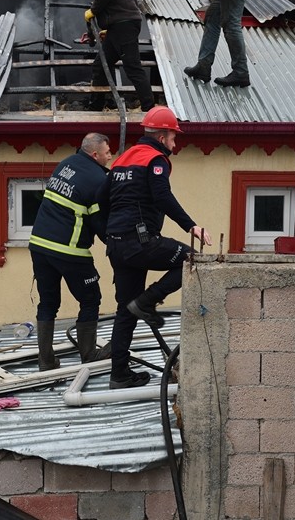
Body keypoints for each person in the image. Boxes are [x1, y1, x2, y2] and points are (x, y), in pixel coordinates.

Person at [102, 106, 211, 388]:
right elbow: (162, 196)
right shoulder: (155, 159)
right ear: (163, 137)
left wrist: (112, 234)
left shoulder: (120, 161)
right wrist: (191, 226)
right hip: (140, 241)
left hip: (116, 244)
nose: (176, 143)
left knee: (125, 310)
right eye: (174, 137)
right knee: (190, 258)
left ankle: (119, 374)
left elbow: (105, 202)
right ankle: (148, 302)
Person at [28, 132, 114, 371]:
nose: (110, 157)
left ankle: (45, 361)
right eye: (108, 152)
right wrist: (117, 243)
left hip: (39, 245)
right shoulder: (97, 179)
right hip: (69, 250)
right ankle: (89, 355)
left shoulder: (65, 164)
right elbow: (99, 223)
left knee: (48, 302)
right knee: (90, 298)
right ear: (95, 154)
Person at [85, 0, 155, 112]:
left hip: (122, 23)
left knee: (132, 67)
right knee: (101, 65)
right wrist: (105, 28)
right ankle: (96, 106)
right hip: (121, 24)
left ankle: (149, 109)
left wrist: (93, 10)